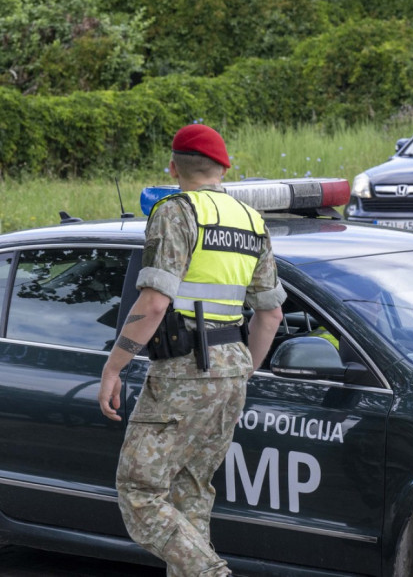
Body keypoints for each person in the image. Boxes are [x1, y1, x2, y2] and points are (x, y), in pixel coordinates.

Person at [98, 124, 285, 577]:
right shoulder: (251, 221)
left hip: (183, 371)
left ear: (172, 166)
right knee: (192, 492)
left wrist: (114, 366)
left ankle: (211, 572)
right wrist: (242, 371)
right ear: (225, 168)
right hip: (231, 373)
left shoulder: (176, 212)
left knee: (139, 492)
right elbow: (270, 315)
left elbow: (155, 301)